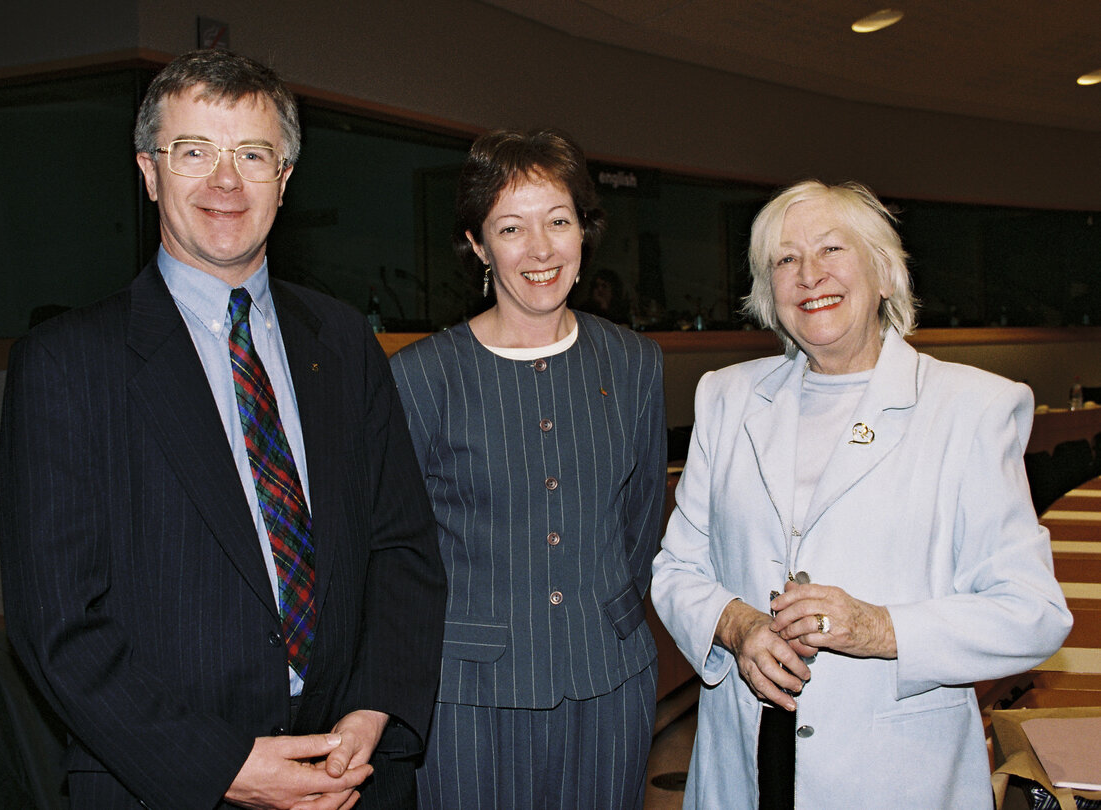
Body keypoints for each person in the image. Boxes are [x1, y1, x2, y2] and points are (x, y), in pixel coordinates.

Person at [0, 49, 447, 810]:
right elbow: (59, 628)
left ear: (286, 177)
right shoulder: (64, 364)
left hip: (353, 777)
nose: (225, 181)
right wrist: (222, 765)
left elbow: (401, 548)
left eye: (252, 154)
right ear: (148, 172)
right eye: (193, 151)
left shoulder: (342, 340)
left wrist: (374, 711)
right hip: (164, 784)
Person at [651, 179, 1073, 810]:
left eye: (831, 250)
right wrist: (735, 626)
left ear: (883, 272)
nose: (808, 275)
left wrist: (878, 628)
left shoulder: (972, 407)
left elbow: (1033, 612)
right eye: (785, 259)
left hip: (900, 780)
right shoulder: (727, 397)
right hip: (742, 770)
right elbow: (676, 567)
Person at [389, 128, 667, 809]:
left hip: (610, 682)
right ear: (480, 246)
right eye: (512, 227)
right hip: (468, 700)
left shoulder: (633, 363)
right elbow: (399, 555)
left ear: (584, 233)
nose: (541, 250)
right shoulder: (420, 378)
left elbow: (640, 526)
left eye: (559, 222)